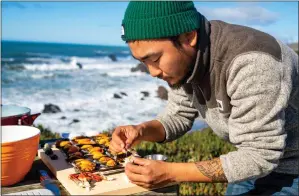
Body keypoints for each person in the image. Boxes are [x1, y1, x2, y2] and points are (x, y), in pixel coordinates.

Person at [109, 1, 298, 195]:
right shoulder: (188, 61)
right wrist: (141, 131)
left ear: (189, 36)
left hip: (292, 170)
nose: (152, 72)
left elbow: (259, 156)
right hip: (250, 164)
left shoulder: (253, 62)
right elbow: (179, 114)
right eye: (143, 61)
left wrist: (170, 173)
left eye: (155, 59)